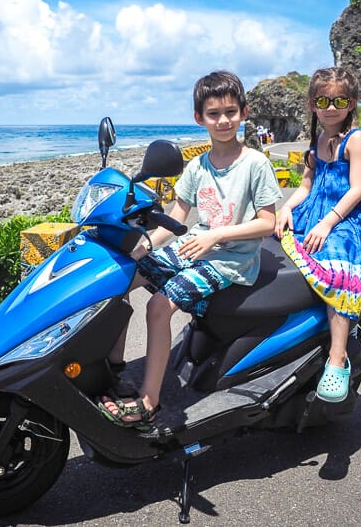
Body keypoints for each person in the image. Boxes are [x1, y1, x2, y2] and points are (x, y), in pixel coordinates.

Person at [99, 70, 282, 430]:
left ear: (244, 113)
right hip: (193, 246)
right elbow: (177, 216)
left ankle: (149, 402)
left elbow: (267, 223)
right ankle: (113, 371)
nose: (223, 120)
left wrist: (217, 236)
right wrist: (144, 246)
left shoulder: (255, 164)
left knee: (157, 306)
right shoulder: (198, 165)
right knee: (119, 279)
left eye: (230, 112)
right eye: (214, 114)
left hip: (231, 260)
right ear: (200, 119)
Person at [274, 67, 361, 403]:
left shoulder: (355, 140)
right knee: (272, 243)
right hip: (314, 212)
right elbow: (306, 186)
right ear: (313, 105)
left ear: (351, 103)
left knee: (337, 268)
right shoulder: (316, 142)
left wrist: (328, 223)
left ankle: (337, 358)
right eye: (323, 101)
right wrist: (286, 208)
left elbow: (357, 190)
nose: (331, 107)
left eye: (339, 100)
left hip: (345, 221)